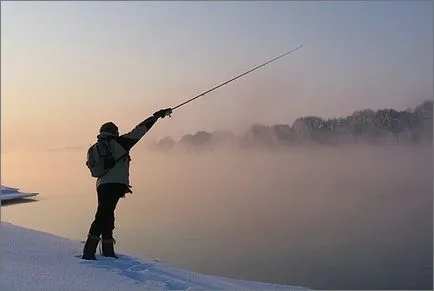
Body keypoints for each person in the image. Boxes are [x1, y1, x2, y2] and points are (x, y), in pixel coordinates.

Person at [82, 108, 172, 260]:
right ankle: (89, 252)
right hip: (115, 184)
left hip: (101, 185)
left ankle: (107, 250)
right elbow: (139, 131)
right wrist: (155, 117)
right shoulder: (120, 143)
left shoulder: (95, 147)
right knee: (103, 215)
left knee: (107, 214)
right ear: (114, 132)